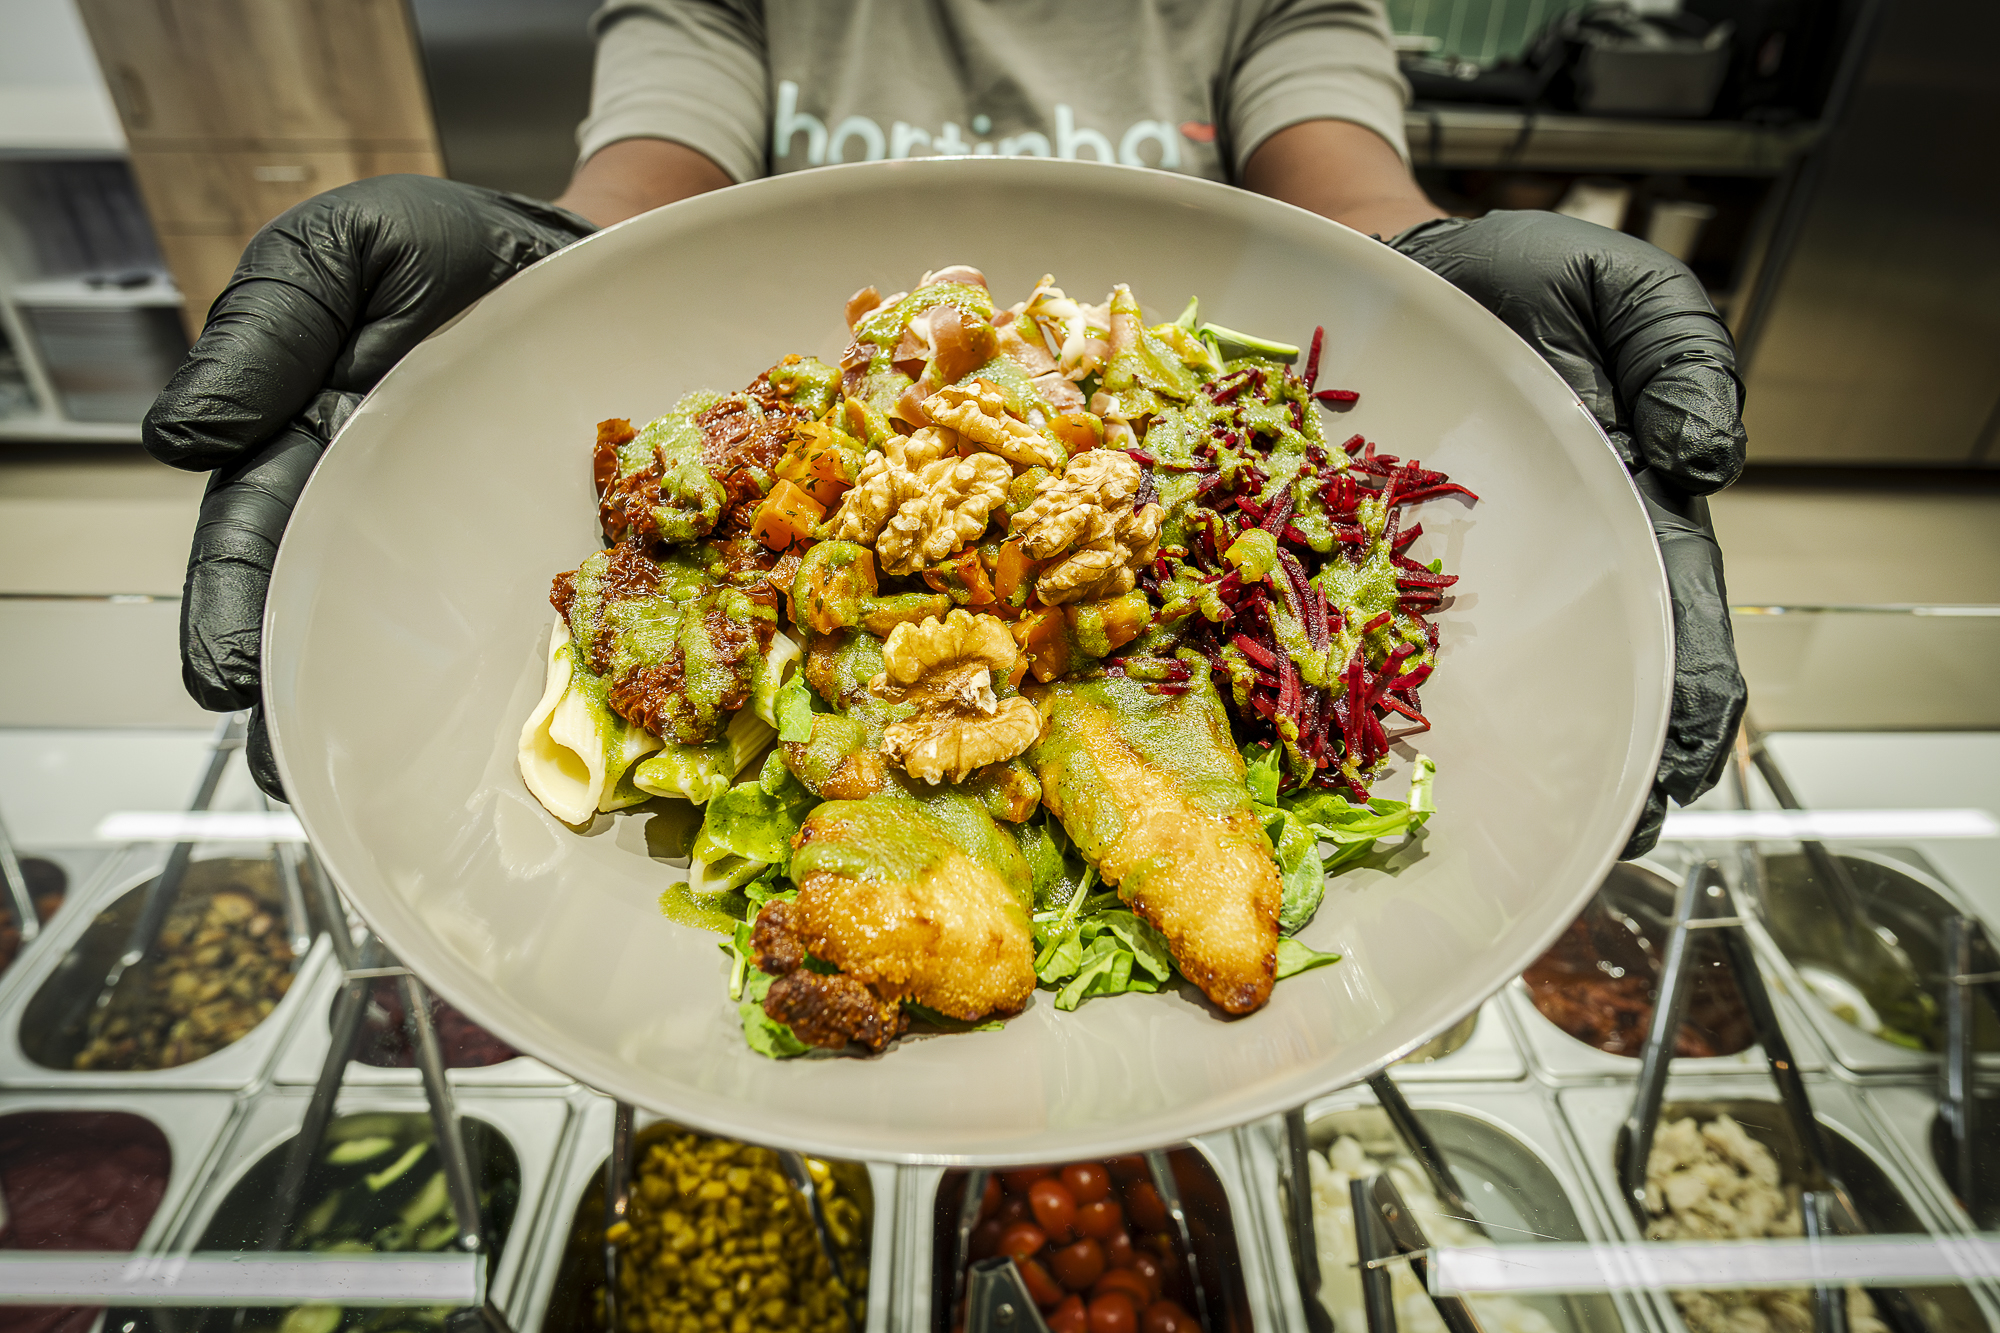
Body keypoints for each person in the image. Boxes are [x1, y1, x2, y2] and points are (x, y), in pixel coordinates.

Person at [144, 0, 1744, 857]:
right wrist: (553, 270)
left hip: (1119, 459)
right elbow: (662, 130)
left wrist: (1422, 283)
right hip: (874, 526)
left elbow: (1333, 141)